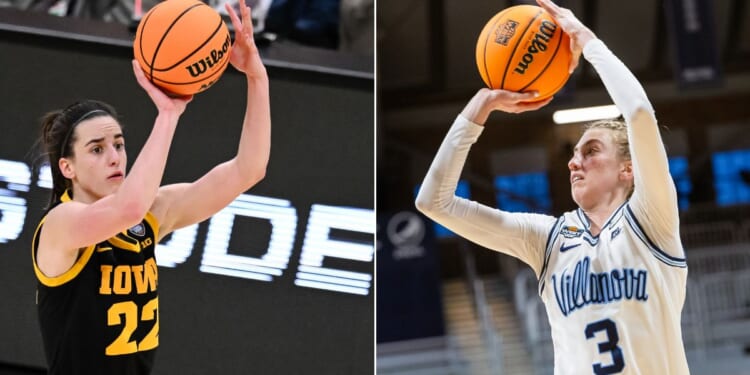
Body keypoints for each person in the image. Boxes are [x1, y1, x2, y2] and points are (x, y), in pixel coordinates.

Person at [415, 0, 689, 374]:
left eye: (591, 151)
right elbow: (434, 203)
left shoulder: (652, 220)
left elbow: (639, 113)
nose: (574, 162)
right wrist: (482, 105)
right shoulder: (546, 239)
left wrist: (589, 42)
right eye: (574, 153)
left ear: (629, 168)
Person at [31, 2, 269, 374]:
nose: (114, 157)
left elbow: (248, 170)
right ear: (67, 167)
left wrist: (257, 78)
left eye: (119, 144)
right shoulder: (60, 225)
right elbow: (127, 208)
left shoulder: (151, 215)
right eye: (97, 149)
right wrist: (169, 114)